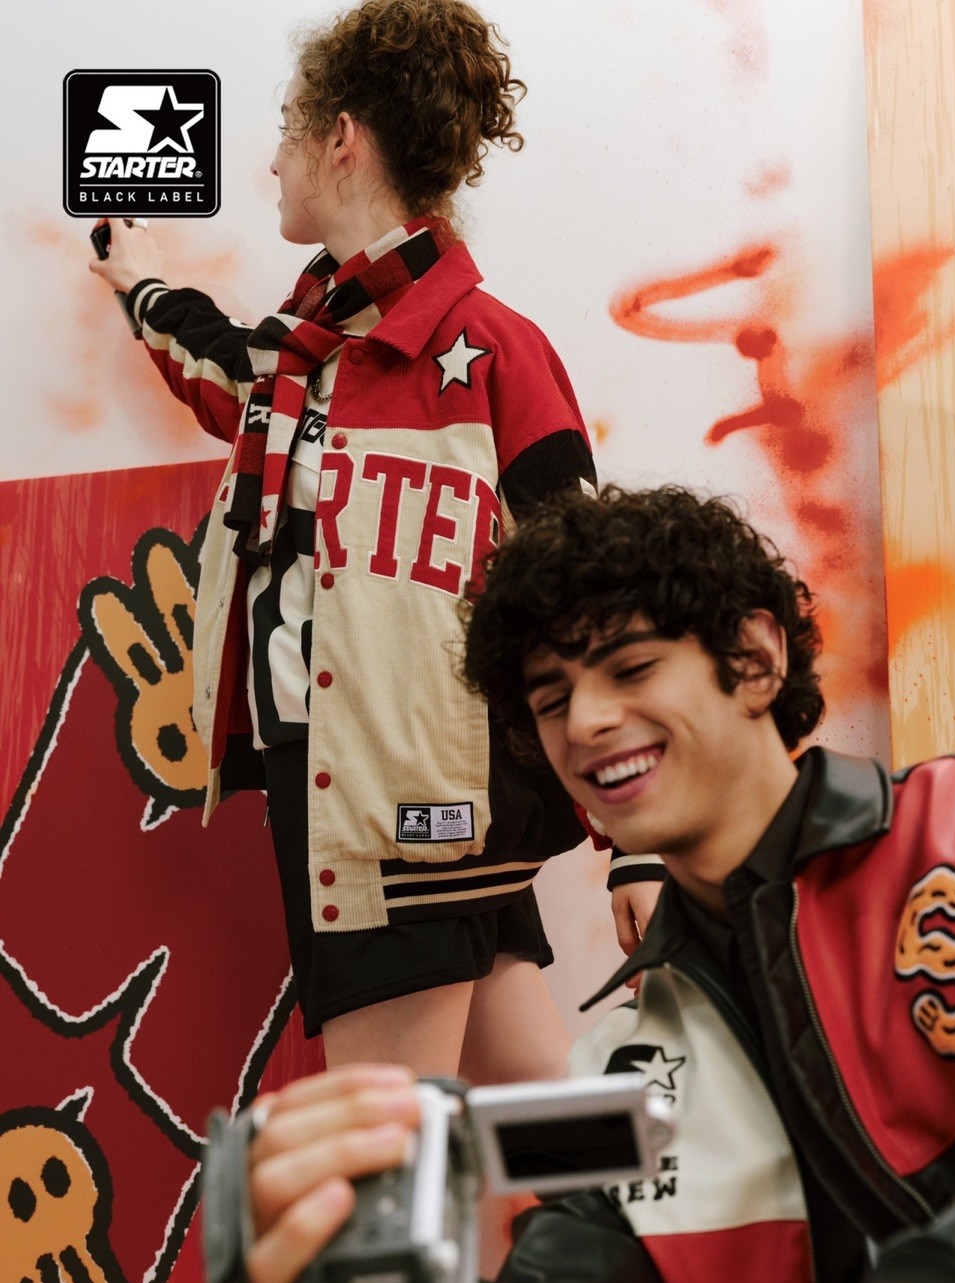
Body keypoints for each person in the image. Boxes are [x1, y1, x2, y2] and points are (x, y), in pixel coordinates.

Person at [238, 484, 955, 1283]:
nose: (585, 723)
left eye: (630, 668)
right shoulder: (615, 1073)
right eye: (550, 699)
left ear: (755, 659)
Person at [87, 0, 595, 1081]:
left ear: (342, 140)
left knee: (386, 1146)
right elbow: (224, 367)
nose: (272, 162)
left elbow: (594, 597)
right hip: (366, 796)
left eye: (286, 131)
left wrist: (636, 849)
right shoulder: (305, 359)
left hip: (394, 811)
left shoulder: (491, 350)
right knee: (548, 1132)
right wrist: (140, 284)